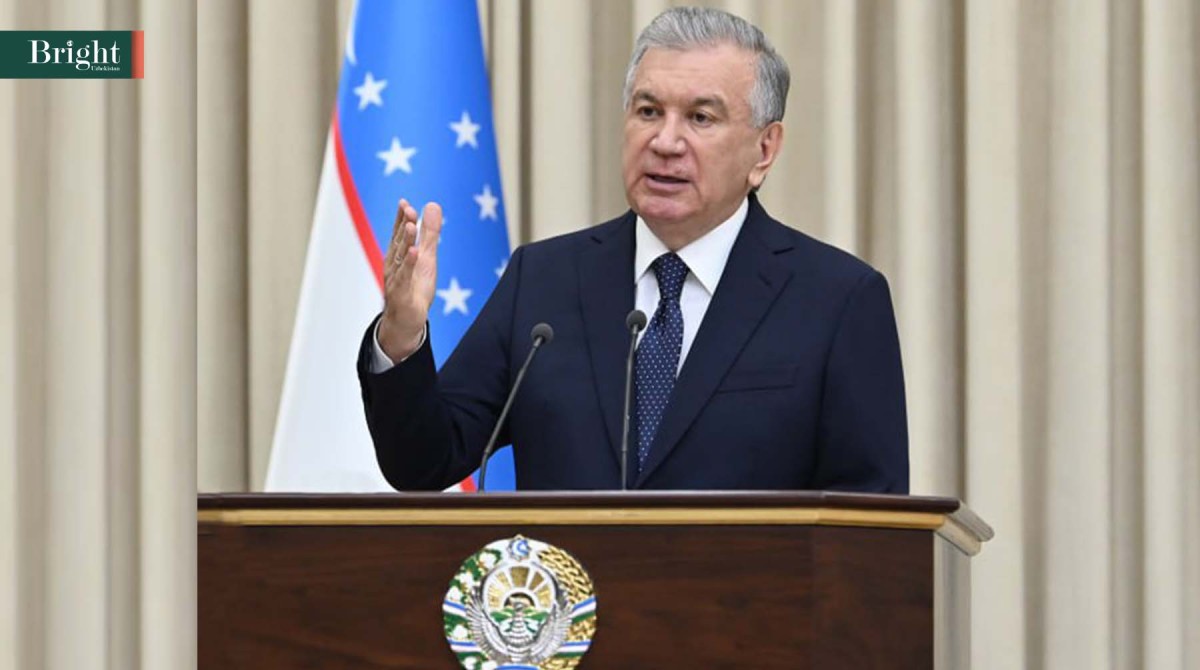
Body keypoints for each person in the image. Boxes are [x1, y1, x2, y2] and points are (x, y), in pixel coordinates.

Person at [357, 6, 909, 492]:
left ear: (764, 150)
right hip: (566, 584)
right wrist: (401, 333)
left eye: (700, 118)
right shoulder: (543, 280)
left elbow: (869, 523)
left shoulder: (837, 300)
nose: (665, 142)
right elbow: (422, 462)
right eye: (648, 112)